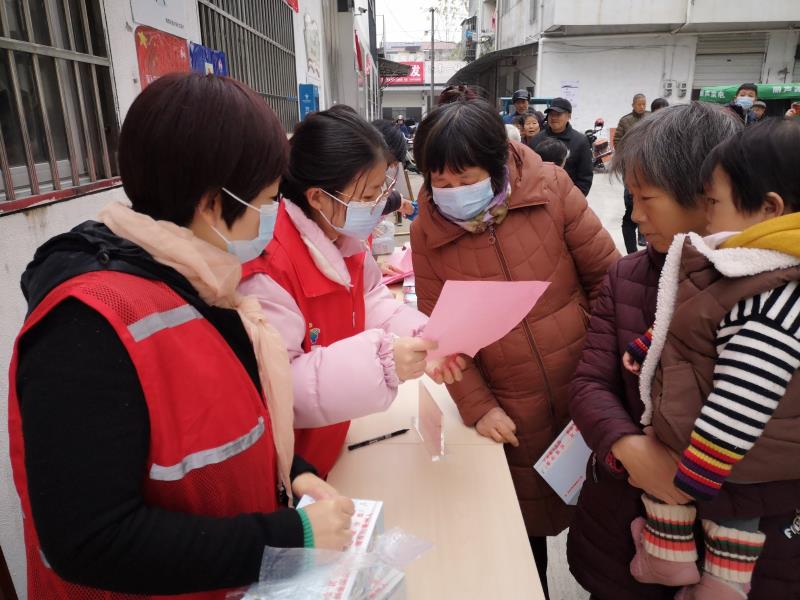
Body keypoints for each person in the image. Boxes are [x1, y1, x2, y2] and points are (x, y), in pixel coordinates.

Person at [7, 73, 356, 599]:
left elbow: (232, 426)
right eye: (267, 202)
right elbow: (89, 540)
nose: (273, 218)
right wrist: (288, 537)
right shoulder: (86, 327)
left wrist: (294, 474)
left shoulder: (199, 282)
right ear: (213, 205)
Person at [567, 102, 800, 600]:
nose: (635, 216)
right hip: (626, 523)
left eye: (647, 197)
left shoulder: (780, 294)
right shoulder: (627, 275)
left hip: (763, 541)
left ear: (707, 193)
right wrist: (630, 450)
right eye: (631, 197)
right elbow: (589, 383)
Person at [411, 89, 619, 598]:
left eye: (466, 179)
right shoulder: (427, 233)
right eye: (441, 183)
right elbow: (443, 337)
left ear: (498, 163)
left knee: (608, 527)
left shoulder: (551, 188)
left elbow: (609, 283)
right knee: (525, 537)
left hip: (589, 388)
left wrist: (605, 372)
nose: (453, 193)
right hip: (512, 408)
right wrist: (479, 406)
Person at [239, 105, 464, 479]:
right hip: (292, 470)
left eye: (382, 190)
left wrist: (423, 336)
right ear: (318, 198)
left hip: (331, 441)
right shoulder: (270, 266)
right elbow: (279, 385)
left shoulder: (342, 237)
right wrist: (384, 362)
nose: (379, 206)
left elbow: (371, 300)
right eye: (369, 195)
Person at [528, 97, 594, 196]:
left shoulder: (580, 141)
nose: (554, 118)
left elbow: (585, 176)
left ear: (569, 116)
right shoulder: (536, 140)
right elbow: (530, 171)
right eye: (551, 114)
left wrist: (575, 198)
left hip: (569, 197)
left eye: (558, 114)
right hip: (540, 197)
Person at [615, 93, 650, 254]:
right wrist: (626, 155)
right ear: (633, 104)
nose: (642, 107)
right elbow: (617, 141)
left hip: (648, 164)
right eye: (639, 104)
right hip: (630, 165)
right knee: (630, 197)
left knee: (646, 198)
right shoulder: (625, 121)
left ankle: (642, 234)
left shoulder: (650, 117)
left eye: (644, 104)